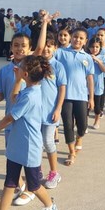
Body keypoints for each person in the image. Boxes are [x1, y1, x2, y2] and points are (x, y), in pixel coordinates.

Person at [0, 55, 59, 210]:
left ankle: (50, 206)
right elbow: (14, 97)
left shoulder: (32, 95)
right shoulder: (29, 89)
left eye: (20, 66)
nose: (16, 67)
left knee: (33, 186)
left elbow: (10, 116)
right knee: (9, 183)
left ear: (26, 73)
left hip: (30, 147)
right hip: (17, 144)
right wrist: (18, 80)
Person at [53, 28, 95, 166]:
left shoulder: (87, 57)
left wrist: (91, 98)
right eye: (75, 37)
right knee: (68, 125)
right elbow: (46, 54)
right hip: (65, 96)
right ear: (71, 38)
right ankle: (71, 152)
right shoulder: (61, 52)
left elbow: (90, 79)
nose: (77, 40)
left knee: (82, 126)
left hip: (82, 96)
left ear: (85, 41)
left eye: (81, 38)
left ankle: (79, 139)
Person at [39, 33, 66, 189]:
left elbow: (62, 89)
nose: (46, 49)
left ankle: (54, 173)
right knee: (36, 144)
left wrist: (58, 109)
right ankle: (38, 171)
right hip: (35, 113)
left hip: (50, 112)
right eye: (45, 45)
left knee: (48, 142)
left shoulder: (58, 66)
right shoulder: (35, 64)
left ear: (55, 48)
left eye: (50, 46)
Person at [87, 37, 105, 130]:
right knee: (85, 107)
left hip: (98, 86)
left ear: (100, 48)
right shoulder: (86, 56)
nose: (94, 49)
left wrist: (98, 61)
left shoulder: (103, 57)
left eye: (97, 47)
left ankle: (97, 120)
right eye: (92, 47)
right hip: (86, 87)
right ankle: (84, 123)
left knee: (97, 107)